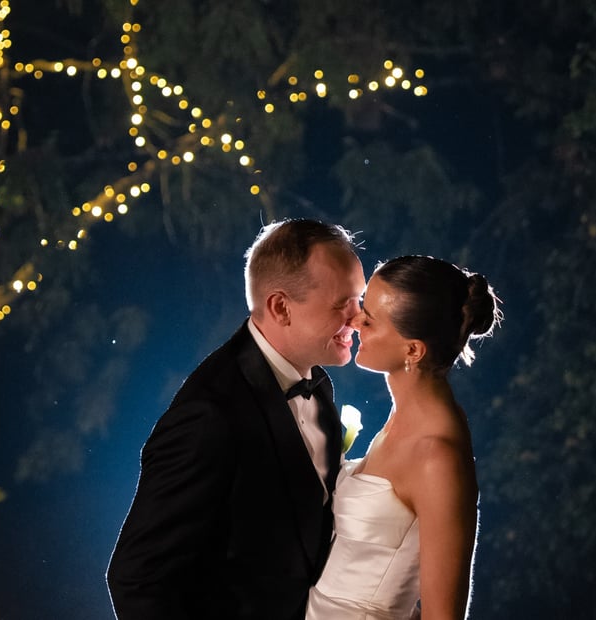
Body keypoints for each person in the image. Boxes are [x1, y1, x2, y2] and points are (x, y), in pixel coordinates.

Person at [107, 219, 366, 619]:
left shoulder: (318, 385)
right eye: (342, 304)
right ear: (281, 307)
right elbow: (137, 578)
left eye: (359, 299)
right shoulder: (209, 415)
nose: (359, 318)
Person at [305, 255, 502, 620]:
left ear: (413, 350)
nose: (354, 321)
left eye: (369, 320)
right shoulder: (406, 414)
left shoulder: (437, 456)